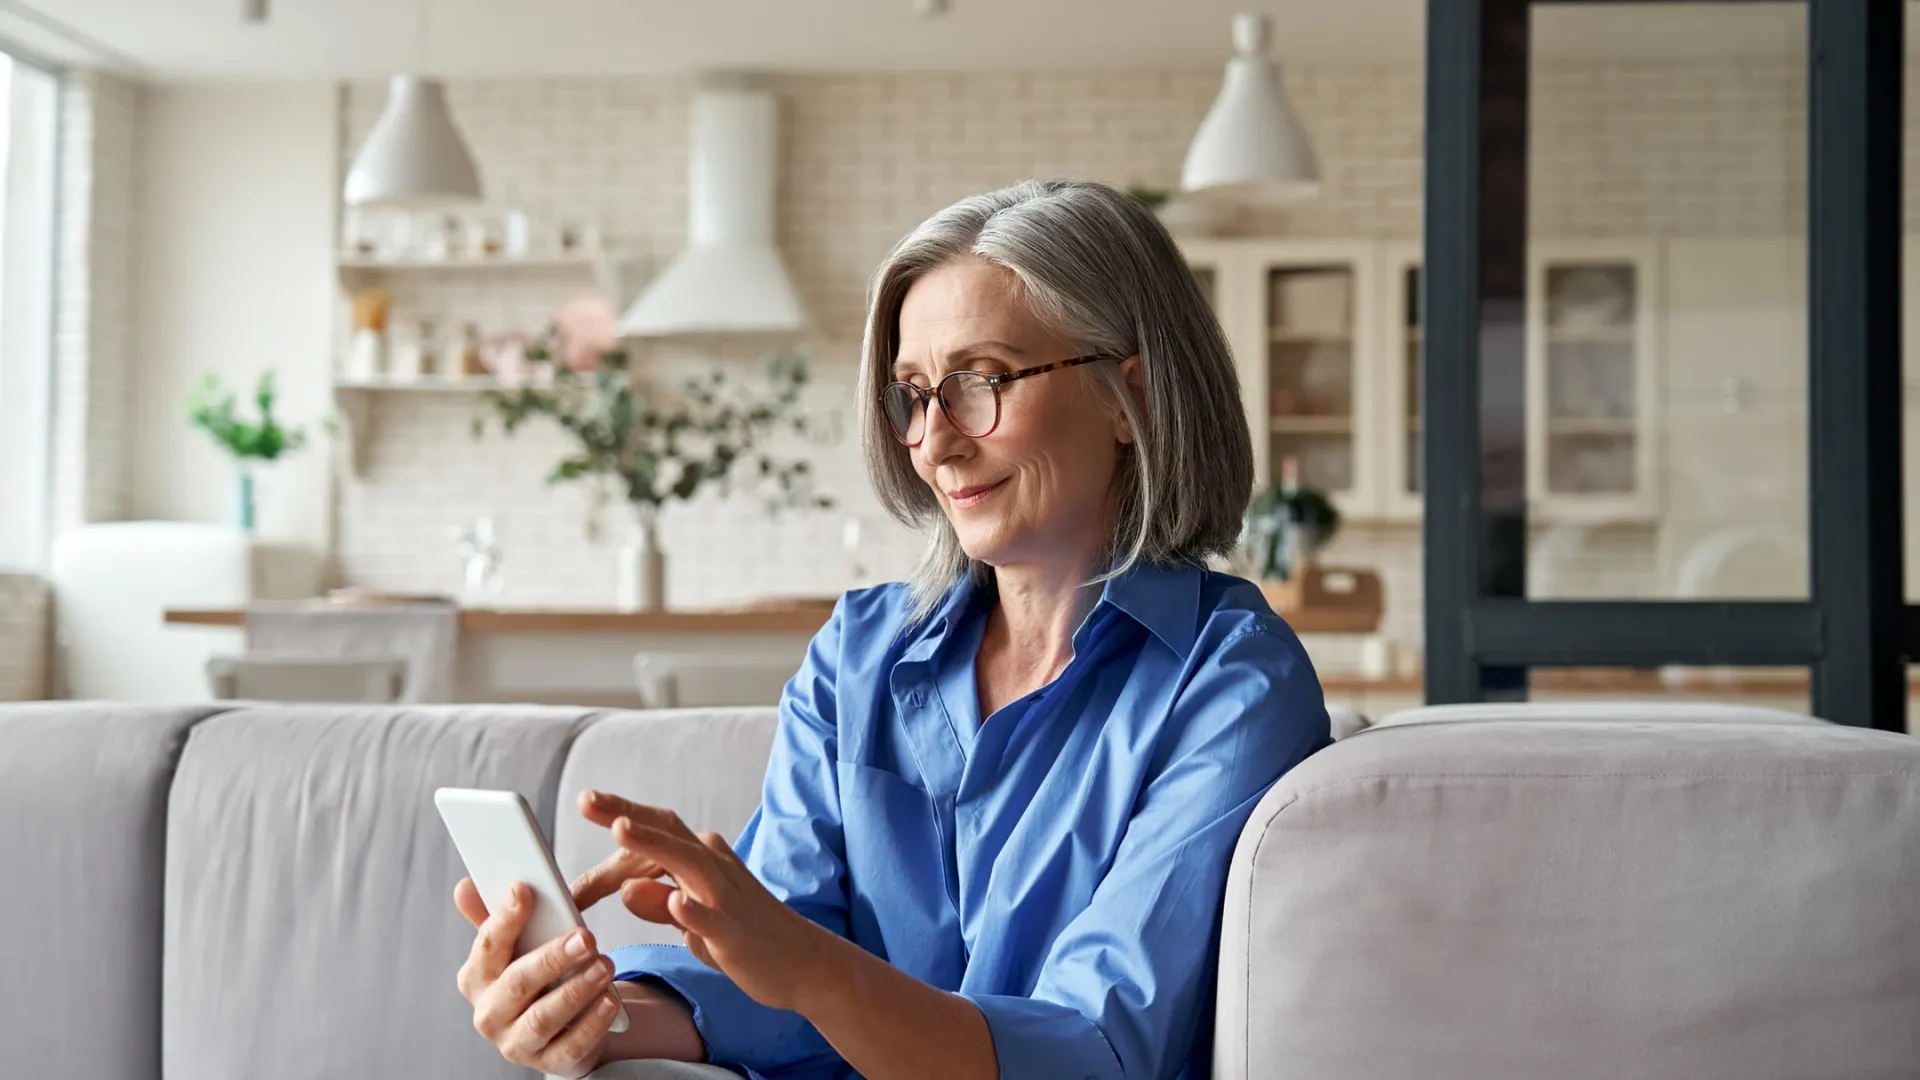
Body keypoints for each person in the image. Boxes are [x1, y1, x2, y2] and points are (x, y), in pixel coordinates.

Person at [451, 179, 1331, 1080]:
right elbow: (774, 988)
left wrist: (806, 970)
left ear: (1125, 397)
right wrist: (591, 1011)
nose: (935, 442)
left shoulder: (1230, 684)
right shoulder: (857, 654)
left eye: (981, 381)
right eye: (913, 394)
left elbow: (1095, 1051)